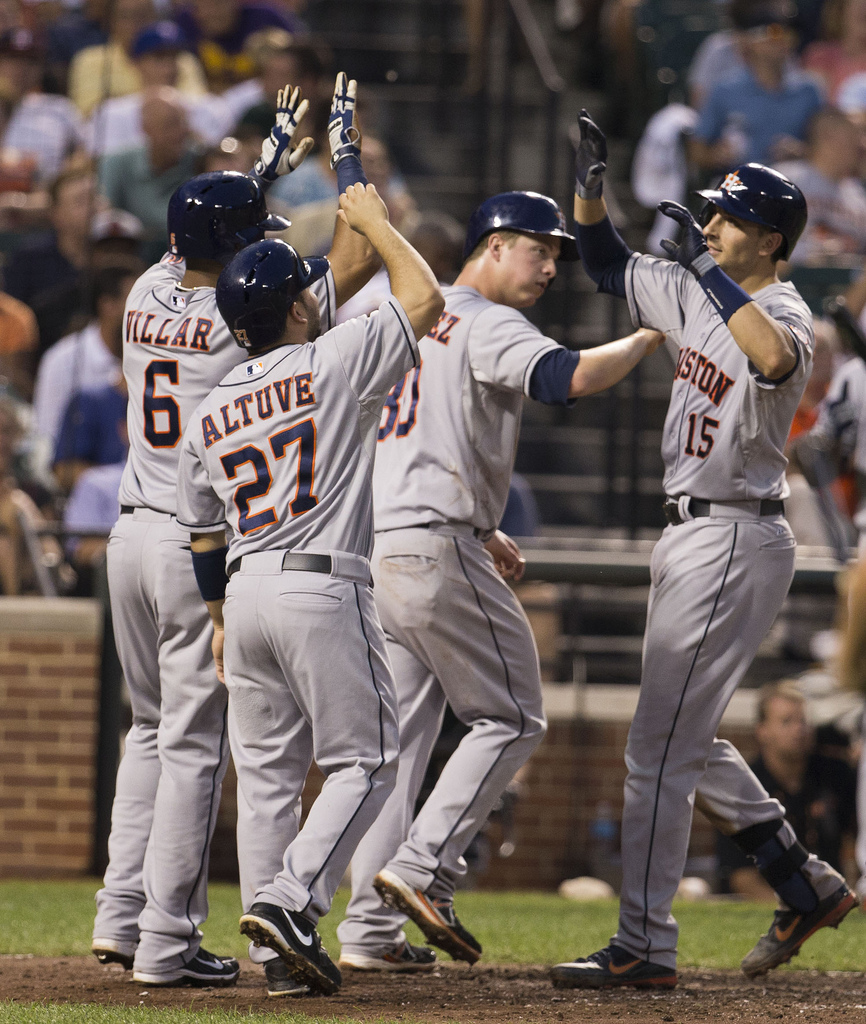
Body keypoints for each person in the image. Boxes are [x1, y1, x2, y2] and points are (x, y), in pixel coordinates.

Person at [549, 109, 857, 992]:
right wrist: (591, 194)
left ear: (768, 237)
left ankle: (645, 942)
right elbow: (606, 264)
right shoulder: (699, 284)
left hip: (734, 529)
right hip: (689, 529)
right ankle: (802, 880)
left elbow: (765, 360)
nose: (710, 225)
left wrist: (706, 274)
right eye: (711, 216)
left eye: (726, 218)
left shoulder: (785, 309)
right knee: (681, 735)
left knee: (656, 749)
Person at [91, 74, 379, 995]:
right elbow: (351, 259)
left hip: (126, 534)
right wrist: (341, 159)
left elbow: (212, 238)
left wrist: (263, 166)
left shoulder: (146, 285)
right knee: (189, 745)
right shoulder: (240, 324)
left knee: (147, 731)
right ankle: (165, 942)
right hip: (192, 540)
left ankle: (118, 913)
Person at [336, 190, 664, 972]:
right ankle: (424, 871)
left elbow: (401, 431)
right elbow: (565, 379)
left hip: (381, 543)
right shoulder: (488, 321)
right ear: (487, 247)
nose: (551, 266)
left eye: (556, 254)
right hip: (432, 548)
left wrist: (482, 523)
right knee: (514, 717)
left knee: (402, 745)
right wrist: (650, 334)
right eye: (536, 248)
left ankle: (368, 935)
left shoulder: (402, 311)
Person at [176, 181, 444, 996]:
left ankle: (277, 963)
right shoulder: (332, 355)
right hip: (320, 584)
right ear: (296, 308)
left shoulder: (211, 403)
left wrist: (219, 620)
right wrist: (373, 225)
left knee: (265, 782)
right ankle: (292, 901)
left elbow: (201, 532)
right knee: (367, 762)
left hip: (246, 590)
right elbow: (424, 297)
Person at [716, 680, 857, 898]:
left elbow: (853, 843)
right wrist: (799, 909)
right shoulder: (743, 787)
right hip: (773, 904)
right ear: (762, 731)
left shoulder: (836, 774)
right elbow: (740, 877)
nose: (799, 730)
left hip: (834, 896)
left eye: (803, 721)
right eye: (786, 722)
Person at [689, 1, 822, 174]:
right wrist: (717, 154)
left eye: (787, 32)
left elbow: (827, 146)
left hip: (793, 181)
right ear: (750, 41)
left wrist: (801, 151)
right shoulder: (725, 89)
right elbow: (696, 150)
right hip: (737, 180)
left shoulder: (808, 90)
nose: (781, 40)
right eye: (772, 33)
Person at [98, 88, 205, 263]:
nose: (181, 132)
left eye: (184, 123)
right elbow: (106, 217)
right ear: (146, 129)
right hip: (135, 261)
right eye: (171, 125)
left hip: (192, 261)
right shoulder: (116, 163)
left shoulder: (200, 161)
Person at [773, 107, 866, 265]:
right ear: (827, 136)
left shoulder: (857, 195)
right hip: (787, 281)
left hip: (840, 284)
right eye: (854, 135)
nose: (862, 144)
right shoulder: (782, 179)